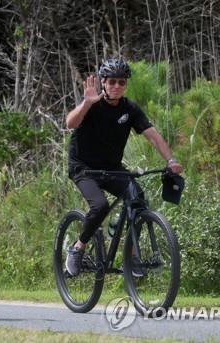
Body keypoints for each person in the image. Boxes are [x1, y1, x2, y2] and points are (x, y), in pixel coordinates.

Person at [65, 57, 183, 277]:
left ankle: (131, 257)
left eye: (121, 82)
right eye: (112, 82)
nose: (117, 86)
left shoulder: (129, 109)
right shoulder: (92, 105)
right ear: (103, 82)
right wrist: (86, 103)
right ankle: (77, 248)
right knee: (99, 206)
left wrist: (171, 160)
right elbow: (70, 123)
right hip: (84, 168)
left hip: (112, 168)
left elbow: (153, 136)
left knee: (137, 198)